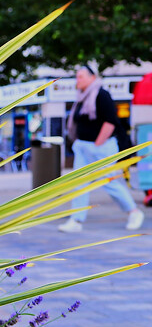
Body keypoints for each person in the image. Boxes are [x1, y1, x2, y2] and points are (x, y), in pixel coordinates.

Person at [59, 65, 143, 232]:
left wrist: (97, 144)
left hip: (101, 147)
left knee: (110, 182)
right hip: (83, 147)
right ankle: (76, 219)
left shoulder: (101, 95)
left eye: (81, 76)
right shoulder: (81, 98)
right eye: (77, 77)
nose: (78, 80)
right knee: (80, 183)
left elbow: (111, 121)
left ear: (92, 77)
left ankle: (134, 212)